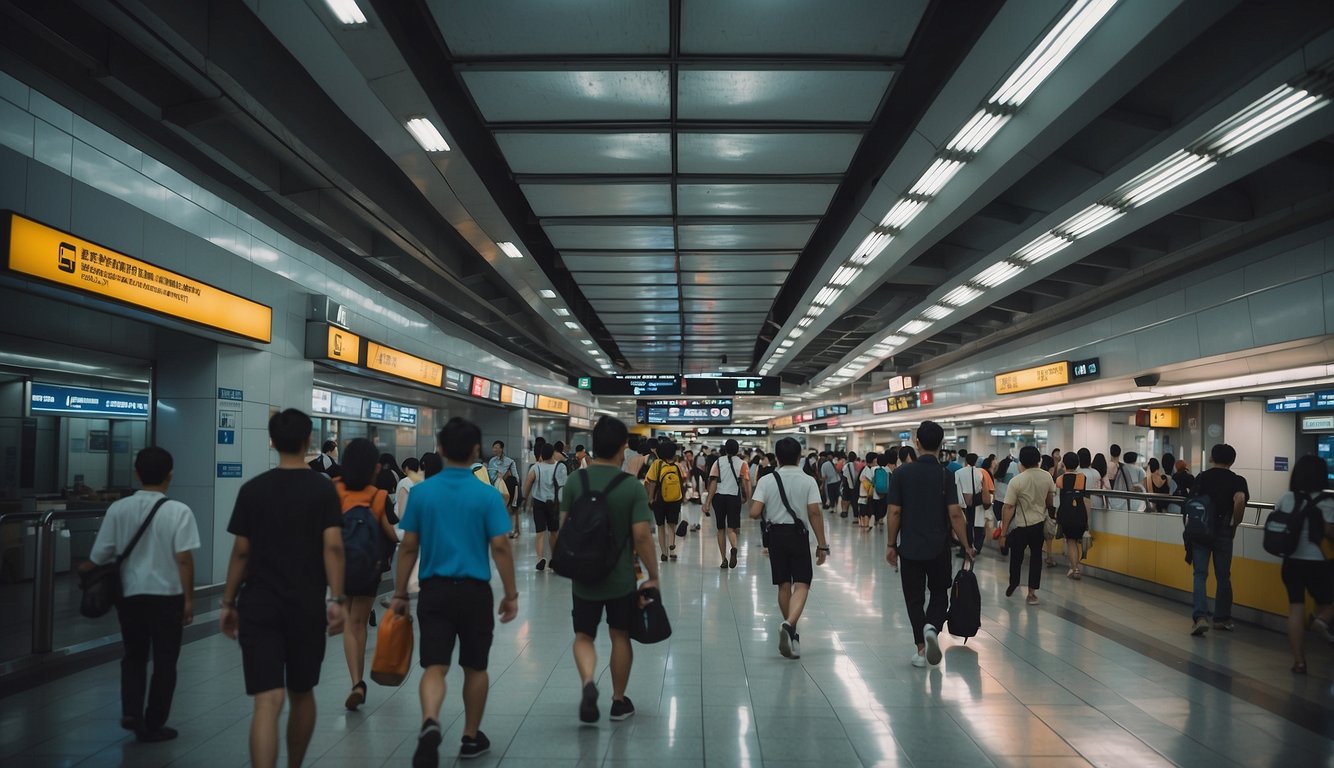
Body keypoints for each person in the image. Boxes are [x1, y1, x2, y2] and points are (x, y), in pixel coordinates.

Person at [221, 409, 346, 768]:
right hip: (305, 605)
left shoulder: (252, 489)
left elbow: (241, 551)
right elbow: (334, 547)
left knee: (267, 699)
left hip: (258, 604)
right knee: (302, 692)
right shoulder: (323, 490)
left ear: (272, 441)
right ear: (309, 442)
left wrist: (229, 601)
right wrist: (336, 598)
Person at [392, 418, 518, 764]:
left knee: (434, 665)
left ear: (441, 449)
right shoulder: (487, 495)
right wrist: (511, 593)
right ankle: (470, 737)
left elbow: (408, 548)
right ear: (477, 451)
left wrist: (401, 593)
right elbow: (502, 548)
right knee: (475, 667)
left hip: (434, 591)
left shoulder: (421, 493)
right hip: (475, 592)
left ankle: (431, 721)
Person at [81, 446, 199, 742]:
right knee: (165, 661)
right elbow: (184, 559)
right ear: (170, 475)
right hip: (167, 596)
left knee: (134, 655)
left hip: (130, 595)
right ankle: (155, 722)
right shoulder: (178, 511)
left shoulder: (118, 509)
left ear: (136, 474)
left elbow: (99, 556)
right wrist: (188, 598)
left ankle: (132, 712)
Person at [562, 416, 660, 724]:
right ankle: (618, 702)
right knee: (620, 634)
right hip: (620, 577)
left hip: (584, 575)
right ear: (622, 447)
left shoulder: (576, 481)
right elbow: (642, 536)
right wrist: (653, 575)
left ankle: (589, 682)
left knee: (583, 634)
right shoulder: (631, 486)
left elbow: (564, 526)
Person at [885, 421, 975, 668]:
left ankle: (921, 649)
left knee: (914, 598)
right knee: (938, 594)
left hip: (910, 548)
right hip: (939, 548)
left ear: (917, 443)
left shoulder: (902, 474)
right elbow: (955, 514)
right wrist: (966, 545)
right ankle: (932, 628)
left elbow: (894, 512)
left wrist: (891, 544)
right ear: (941, 444)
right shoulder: (946, 475)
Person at [334, 439, 399, 711]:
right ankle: (358, 682)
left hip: (338, 567)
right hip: (367, 570)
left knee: (349, 624)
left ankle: (356, 682)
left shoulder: (332, 490)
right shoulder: (378, 496)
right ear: (374, 467)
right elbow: (393, 535)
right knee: (359, 622)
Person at [749, 437, 828, 659]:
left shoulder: (767, 479)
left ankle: (791, 632)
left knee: (784, 584)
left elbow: (754, 512)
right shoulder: (808, 480)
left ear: (777, 457)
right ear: (799, 456)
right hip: (798, 535)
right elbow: (814, 513)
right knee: (802, 583)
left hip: (775, 536)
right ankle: (789, 624)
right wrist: (822, 544)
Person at [1276, 455, 1334, 673]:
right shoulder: (1327, 502)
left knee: (1295, 609)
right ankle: (1321, 621)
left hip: (1291, 561)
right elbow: (1329, 531)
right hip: (1319, 563)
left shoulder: (1287, 498)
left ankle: (1299, 661)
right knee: (1326, 603)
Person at [1189, 444, 1249, 636]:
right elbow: (1239, 500)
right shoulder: (1237, 480)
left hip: (1200, 530)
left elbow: (1193, 503)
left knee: (1200, 574)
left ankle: (1200, 617)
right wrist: (1234, 524)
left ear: (1211, 459)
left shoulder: (1201, 477)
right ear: (1232, 461)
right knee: (1223, 576)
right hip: (1223, 530)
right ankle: (1222, 619)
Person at [999, 446, 1056, 606]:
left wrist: (1003, 533)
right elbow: (1050, 501)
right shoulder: (1047, 477)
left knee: (1016, 557)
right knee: (1036, 558)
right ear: (1039, 460)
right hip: (1039, 525)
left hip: (1021, 526)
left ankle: (1014, 582)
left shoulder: (1017, 481)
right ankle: (1032, 593)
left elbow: (1008, 507)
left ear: (1021, 462)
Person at [706, 439, 751, 569]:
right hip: (733, 497)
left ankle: (723, 559)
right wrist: (748, 499)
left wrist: (708, 502)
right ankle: (734, 548)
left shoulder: (718, 462)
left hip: (719, 497)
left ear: (725, 449)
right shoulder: (743, 464)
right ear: (737, 450)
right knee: (731, 528)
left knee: (720, 529)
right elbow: (746, 483)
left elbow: (713, 482)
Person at [523, 443, 567, 572]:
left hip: (539, 503)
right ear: (553, 453)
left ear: (541, 454)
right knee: (553, 532)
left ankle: (539, 559)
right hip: (554, 503)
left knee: (540, 532)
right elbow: (564, 485)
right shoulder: (560, 467)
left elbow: (528, 483)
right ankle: (555, 558)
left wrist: (524, 499)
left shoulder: (536, 467)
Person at [645, 441, 685, 562]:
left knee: (661, 525)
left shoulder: (657, 464)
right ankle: (672, 549)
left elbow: (651, 482)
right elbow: (683, 479)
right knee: (672, 524)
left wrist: (650, 498)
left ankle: (664, 553)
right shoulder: (677, 466)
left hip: (660, 499)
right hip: (675, 499)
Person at [1056, 453, 1090, 579]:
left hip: (1066, 512)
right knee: (1076, 540)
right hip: (1080, 512)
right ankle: (1075, 567)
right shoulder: (1082, 477)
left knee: (1070, 541)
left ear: (1064, 463)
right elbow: (1086, 498)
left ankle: (1075, 568)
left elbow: (1057, 498)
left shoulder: (1059, 479)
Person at [955, 453, 993, 554]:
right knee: (978, 526)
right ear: (976, 461)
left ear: (966, 461)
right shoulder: (980, 473)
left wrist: (960, 503)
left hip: (963, 502)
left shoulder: (959, 472)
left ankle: (965, 548)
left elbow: (957, 488)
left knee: (965, 526)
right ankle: (976, 548)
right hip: (977, 502)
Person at [487, 441, 520, 539]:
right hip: (496, 487)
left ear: (502, 449)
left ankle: (512, 530)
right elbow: (489, 475)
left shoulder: (509, 461)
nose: (495, 449)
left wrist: (516, 484)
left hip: (508, 486)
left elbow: (515, 476)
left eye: (497, 447)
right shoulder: (491, 461)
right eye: (494, 447)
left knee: (510, 508)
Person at [855, 452, 879, 532]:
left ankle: (865, 526)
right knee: (865, 511)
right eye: (876, 461)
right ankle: (865, 526)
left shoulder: (866, 469)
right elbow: (869, 482)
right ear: (872, 461)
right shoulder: (867, 470)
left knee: (865, 511)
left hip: (865, 495)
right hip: (865, 495)